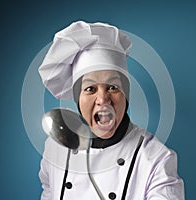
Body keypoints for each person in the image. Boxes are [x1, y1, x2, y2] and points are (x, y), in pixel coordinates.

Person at [38, 21, 185, 200]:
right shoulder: (56, 147)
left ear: (126, 94)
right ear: (78, 99)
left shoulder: (156, 159)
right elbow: (48, 192)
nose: (102, 100)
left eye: (113, 87)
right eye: (90, 89)